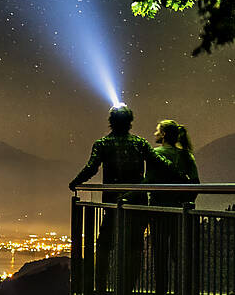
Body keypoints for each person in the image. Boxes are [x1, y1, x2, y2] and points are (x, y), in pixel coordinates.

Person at [69, 105, 172, 294]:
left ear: (111, 121)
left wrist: (75, 182)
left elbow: (92, 168)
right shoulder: (140, 143)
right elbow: (161, 163)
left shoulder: (102, 144)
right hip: (138, 204)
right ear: (130, 122)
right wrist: (181, 177)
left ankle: (99, 287)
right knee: (135, 248)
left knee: (103, 246)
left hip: (112, 204)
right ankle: (128, 288)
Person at [145, 119, 198, 295]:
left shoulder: (155, 153)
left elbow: (149, 181)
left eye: (157, 131)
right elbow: (195, 184)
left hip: (159, 211)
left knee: (160, 256)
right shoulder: (187, 156)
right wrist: (184, 202)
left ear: (164, 134)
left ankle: (162, 290)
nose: (155, 134)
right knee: (181, 256)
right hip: (181, 212)